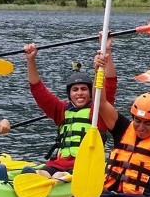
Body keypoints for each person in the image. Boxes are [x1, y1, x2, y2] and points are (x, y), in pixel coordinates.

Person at [24, 41, 117, 178]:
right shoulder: (61, 110)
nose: (79, 93)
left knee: (58, 176)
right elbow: (38, 90)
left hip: (85, 166)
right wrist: (30, 60)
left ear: (90, 92)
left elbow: (110, 85)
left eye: (84, 89)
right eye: (75, 90)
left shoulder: (98, 112)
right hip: (58, 164)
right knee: (37, 173)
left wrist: (106, 51)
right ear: (70, 94)